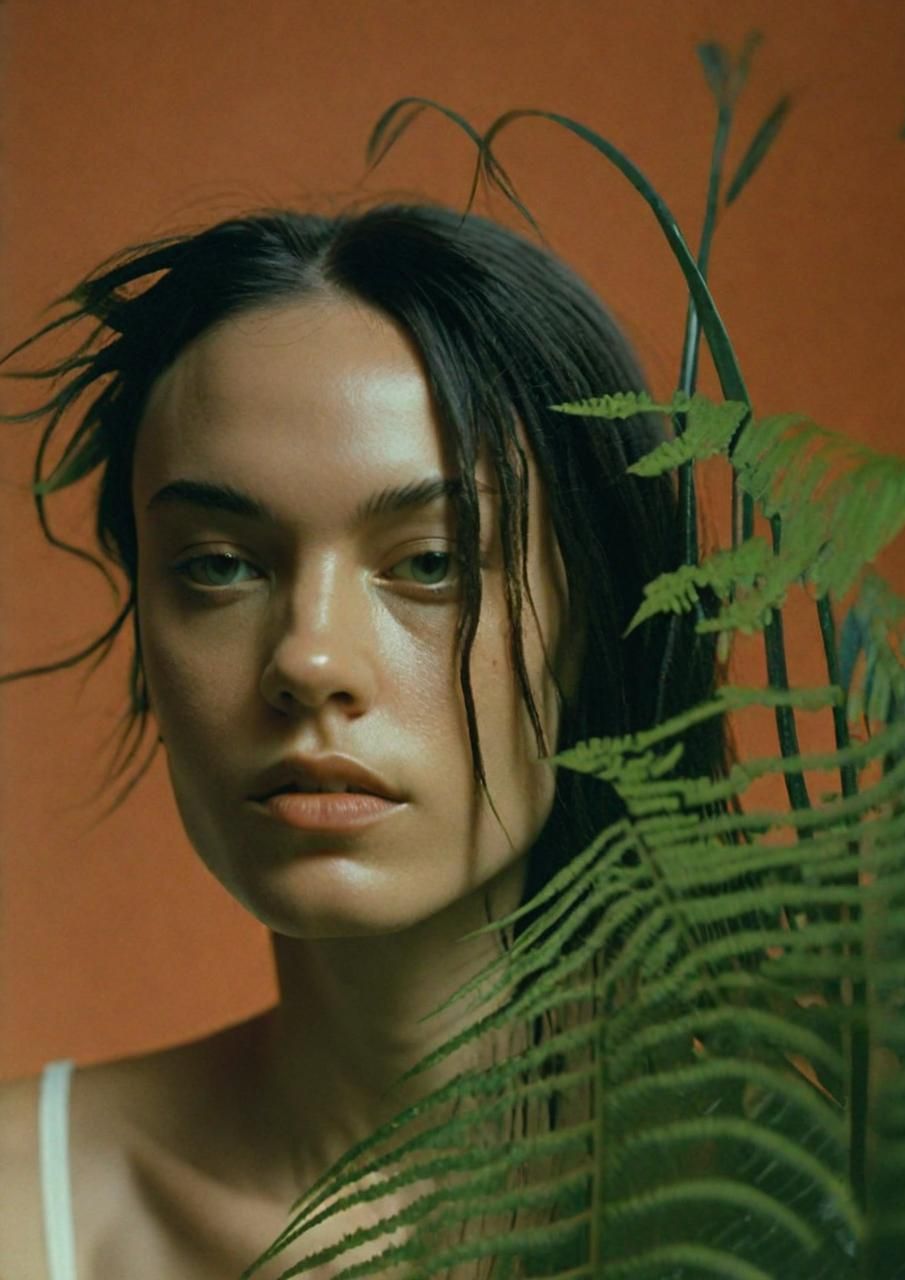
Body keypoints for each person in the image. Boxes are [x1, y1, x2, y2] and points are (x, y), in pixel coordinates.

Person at [0, 203, 730, 1279]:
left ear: (594, 620)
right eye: (217, 563)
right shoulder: (27, 1209)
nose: (308, 658)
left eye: (431, 561)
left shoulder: (823, 1208)